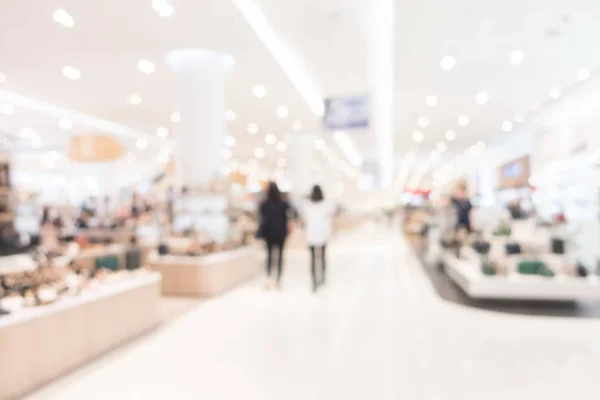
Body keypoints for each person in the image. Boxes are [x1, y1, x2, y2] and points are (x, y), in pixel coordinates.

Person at [258, 182, 290, 289]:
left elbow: (261, 217)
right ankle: (278, 279)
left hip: (269, 233)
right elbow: (289, 215)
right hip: (281, 233)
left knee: (269, 256)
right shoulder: (283, 204)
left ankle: (268, 277)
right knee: (280, 255)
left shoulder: (264, 204)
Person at [301, 185, 334, 292]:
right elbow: (331, 215)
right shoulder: (326, 204)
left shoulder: (307, 205)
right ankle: (322, 276)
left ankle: (314, 280)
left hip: (311, 233)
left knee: (313, 258)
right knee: (323, 255)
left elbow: (304, 218)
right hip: (323, 232)